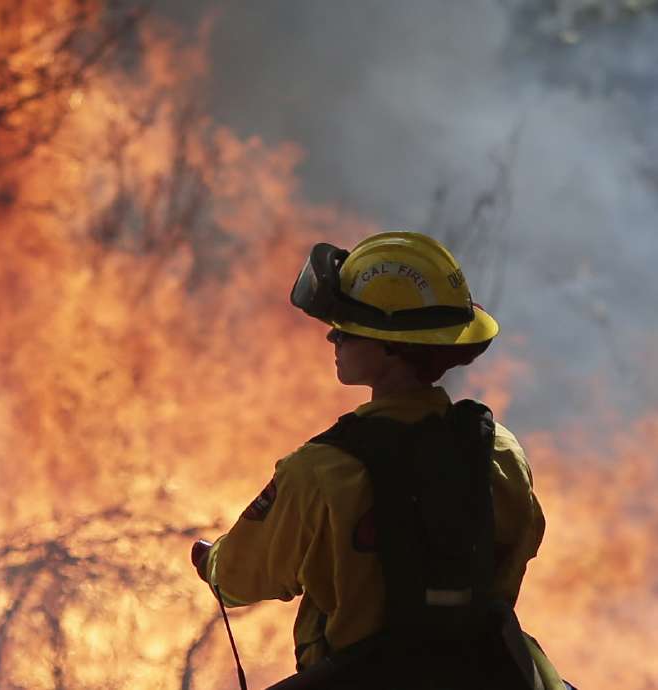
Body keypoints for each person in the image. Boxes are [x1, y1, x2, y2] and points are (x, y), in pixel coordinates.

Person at [191, 232, 573, 689]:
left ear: (393, 346)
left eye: (347, 328)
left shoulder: (321, 471)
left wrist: (214, 563)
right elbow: (521, 547)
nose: (333, 336)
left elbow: (239, 576)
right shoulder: (501, 451)